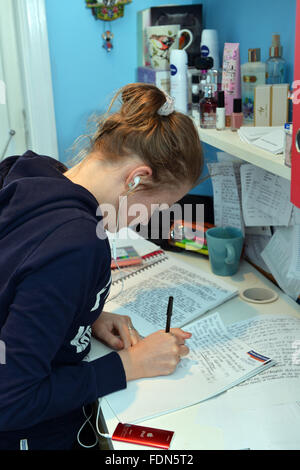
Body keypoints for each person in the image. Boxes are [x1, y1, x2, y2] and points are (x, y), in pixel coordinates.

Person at [0, 83, 204, 450]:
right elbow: (10, 401)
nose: (144, 222)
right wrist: (130, 364)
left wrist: (83, 314)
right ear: (136, 179)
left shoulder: (32, 171)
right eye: (156, 209)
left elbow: (17, 274)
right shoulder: (77, 243)